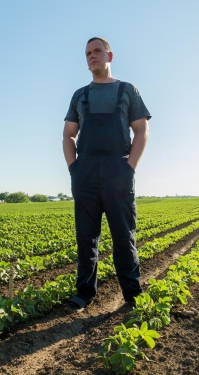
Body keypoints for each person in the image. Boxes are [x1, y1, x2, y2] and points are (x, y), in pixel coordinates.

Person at [62, 37, 151, 313]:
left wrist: (130, 166)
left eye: (97, 51)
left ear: (109, 56)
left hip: (117, 170)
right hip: (86, 171)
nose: (92, 56)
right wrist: (74, 168)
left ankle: (132, 292)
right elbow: (68, 135)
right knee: (86, 237)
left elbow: (141, 131)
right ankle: (84, 293)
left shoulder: (128, 91)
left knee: (124, 236)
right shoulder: (80, 95)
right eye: (88, 53)